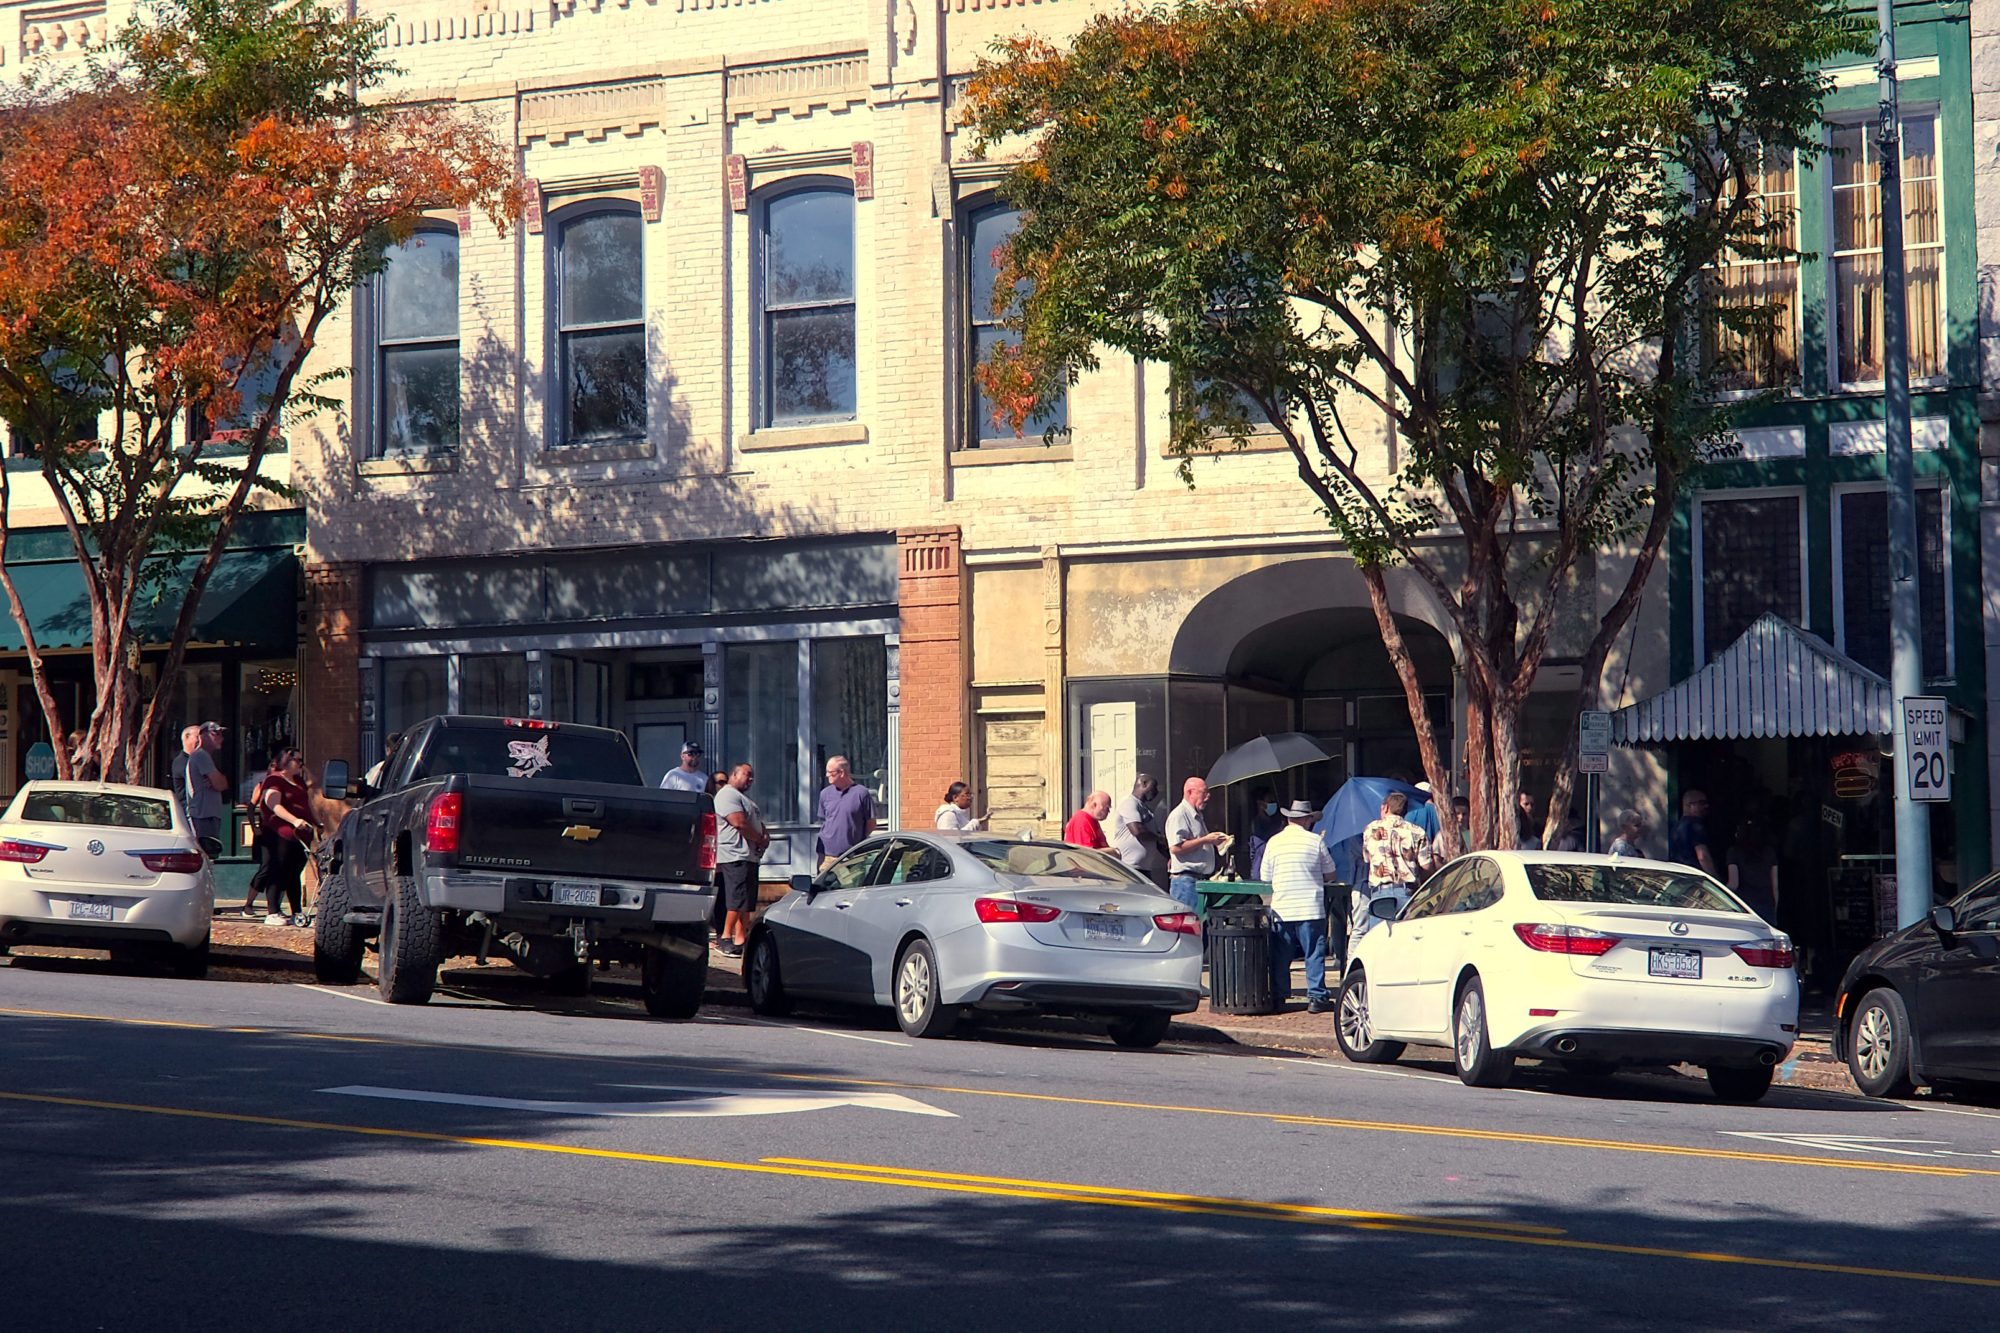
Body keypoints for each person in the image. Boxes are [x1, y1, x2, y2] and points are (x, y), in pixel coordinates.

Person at [1263, 800, 1339, 1013]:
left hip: (1283, 907)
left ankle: (1279, 996)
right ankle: (1316, 997)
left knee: (1281, 955)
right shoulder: (1315, 841)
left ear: (1289, 819)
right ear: (1306, 820)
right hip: (1310, 906)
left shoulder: (1274, 842)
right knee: (1314, 952)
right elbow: (1331, 874)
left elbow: (1265, 876)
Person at [1354, 791, 1427, 951]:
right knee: (1407, 942)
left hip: (1381, 892)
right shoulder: (1417, 831)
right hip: (1408, 891)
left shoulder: (1371, 829)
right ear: (1405, 810)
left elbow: (1367, 858)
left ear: (1385, 807)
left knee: (1380, 941)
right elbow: (1426, 864)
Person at [713, 763, 768, 957]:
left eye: (752, 776)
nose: (750, 779)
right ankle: (725, 938)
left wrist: (764, 837)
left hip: (749, 855)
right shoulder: (728, 795)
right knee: (737, 899)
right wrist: (760, 838)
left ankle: (740, 939)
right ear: (734, 775)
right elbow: (739, 823)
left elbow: (756, 823)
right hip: (735, 855)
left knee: (746, 902)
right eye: (746, 775)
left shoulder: (745, 799)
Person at [257, 748, 318, 927]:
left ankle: (296, 911)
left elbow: (313, 785)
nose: (300, 763)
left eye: (301, 760)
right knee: (278, 870)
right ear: (285, 762)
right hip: (279, 833)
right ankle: (273, 911)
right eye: (297, 760)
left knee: (294, 872)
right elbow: (273, 804)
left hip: (299, 836)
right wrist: (294, 820)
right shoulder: (274, 779)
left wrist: (315, 823)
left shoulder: (299, 781)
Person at [1165, 776, 1229, 913]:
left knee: (1200, 926)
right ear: (1190, 792)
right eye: (1203, 792)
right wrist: (1205, 840)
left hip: (1199, 881)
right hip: (1186, 883)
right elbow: (1175, 847)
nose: (1208, 797)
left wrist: (1216, 842)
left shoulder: (1197, 815)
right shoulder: (1179, 815)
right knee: (1188, 927)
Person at [177, 721, 229, 858]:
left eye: (221, 734)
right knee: (205, 857)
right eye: (215, 734)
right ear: (203, 736)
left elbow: (221, 783)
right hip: (202, 816)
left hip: (208, 814)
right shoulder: (201, 756)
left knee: (209, 858)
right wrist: (218, 779)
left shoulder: (205, 757)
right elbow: (220, 784)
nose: (220, 738)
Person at [814, 755, 875, 871]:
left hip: (853, 857)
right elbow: (825, 821)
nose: (827, 775)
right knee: (824, 887)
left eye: (830, 772)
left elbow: (871, 823)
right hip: (827, 856)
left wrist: (856, 840)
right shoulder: (825, 794)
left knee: (852, 888)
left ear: (841, 773)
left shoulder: (861, 793)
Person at [1113, 775, 1169, 888]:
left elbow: (1156, 840)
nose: (1156, 791)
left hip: (1143, 869)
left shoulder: (1147, 810)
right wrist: (1159, 838)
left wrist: (1169, 856)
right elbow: (1137, 831)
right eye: (1154, 787)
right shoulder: (1129, 803)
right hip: (1129, 869)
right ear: (1143, 783)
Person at [1727, 821, 1780, 921]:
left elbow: (1733, 883)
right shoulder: (1770, 852)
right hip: (1766, 904)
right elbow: (1775, 887)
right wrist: (1774, 910)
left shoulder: (1734, 852)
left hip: (1745, 905)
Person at [1668, 789, 1719, 877]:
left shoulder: (1677, 826)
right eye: (1702, 803)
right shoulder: (1695, 825)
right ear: (1690, 805)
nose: (1706, 806)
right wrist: (1714, 878)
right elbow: (1703, 856)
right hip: (1696, 877)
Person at [1245, 787, 1285, 882]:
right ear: (1261, 804)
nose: (1273, 804)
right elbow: (1261, 849)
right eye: (1270, 801)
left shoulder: (1275, 821)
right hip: (1260, 871)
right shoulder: (1257, 824)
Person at [1429, 795, 1471, 868]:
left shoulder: (1472, 835)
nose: (1461, 818)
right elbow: (1436, 858)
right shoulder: (1442, 835)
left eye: (1464, 814)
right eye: (1457, 813)